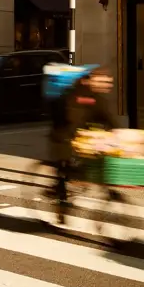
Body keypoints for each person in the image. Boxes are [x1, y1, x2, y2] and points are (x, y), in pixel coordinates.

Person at [47, 66, 115, 223]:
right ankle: (61, 204)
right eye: (103, 82)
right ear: (92, 80)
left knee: (92, 167)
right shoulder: (76, 94)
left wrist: (116, 133)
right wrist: (81, 135)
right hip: (62, 136)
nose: (106, 86)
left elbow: (107, 117)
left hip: (82, 138)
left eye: (108, 83)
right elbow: (71, 118)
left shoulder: (97, 98)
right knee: (65, 169)